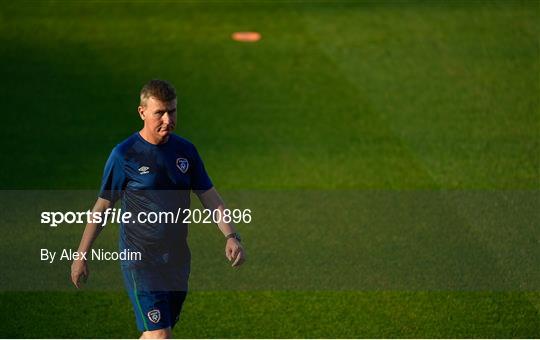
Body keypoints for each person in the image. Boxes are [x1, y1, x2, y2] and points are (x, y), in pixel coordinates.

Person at [71, 79, 245, 339]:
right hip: (140, 260)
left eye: (172, 111)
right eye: (159, 113)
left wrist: (231, 236)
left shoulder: (185, 151)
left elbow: (209, 196)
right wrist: (81, 254)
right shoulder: (124, 155)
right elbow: (103, 206)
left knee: (155, 333)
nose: (167, 119)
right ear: (142, 112)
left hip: (176, 259)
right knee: (160, 335)